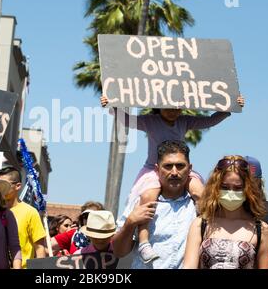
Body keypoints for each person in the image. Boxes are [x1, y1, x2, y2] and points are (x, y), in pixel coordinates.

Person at [101, 95, 245, 263]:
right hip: (151, 171)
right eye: (168, 106)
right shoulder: (150, 121)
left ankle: (207, 234)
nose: (173, 111)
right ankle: (144, 242)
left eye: (177, 107)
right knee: (147, 196)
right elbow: (128, 121)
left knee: (200, 192)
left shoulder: (184, 121)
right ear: (158, 105)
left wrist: (228, 109)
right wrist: (112, 106)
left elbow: (209, 121)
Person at [112, 140, 196, 269]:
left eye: (180, 166)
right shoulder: (140, 202)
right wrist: (130, 223)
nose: (174, 172)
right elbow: (119, 252)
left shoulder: (198, 205)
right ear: (157, 169)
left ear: (189, 168)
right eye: (168, 166)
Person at [183, 155, 268, 269]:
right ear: (215, 187)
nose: (231, 192)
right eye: (225, 187)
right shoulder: (200, 224)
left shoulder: (262, 230)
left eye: (237, 188)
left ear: (247, 189)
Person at [0, 165, 46, 269]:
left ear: (18, 186)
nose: (0, 188)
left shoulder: (30, 212)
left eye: (4, 184)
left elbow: (40, 248)